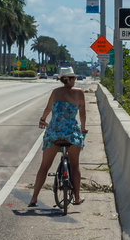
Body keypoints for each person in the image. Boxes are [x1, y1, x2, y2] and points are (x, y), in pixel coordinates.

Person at [28, 66, 88, 208]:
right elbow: (82, 113)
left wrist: (42, 120)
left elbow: (48, 109)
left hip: (54, 132)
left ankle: (34, 198)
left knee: (44, 166)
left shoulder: (55, 92)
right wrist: (83, 128)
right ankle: (77, 197)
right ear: (71, 79)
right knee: (75, 166)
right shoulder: (79, 93)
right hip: (71, 133)